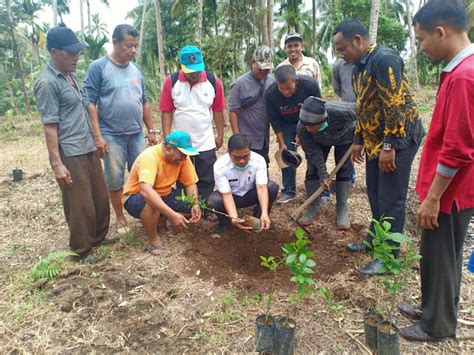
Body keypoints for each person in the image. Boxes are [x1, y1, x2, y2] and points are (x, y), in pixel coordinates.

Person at [398, 0, 474, 342]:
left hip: (452, 192)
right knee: (436, 254)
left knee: (442, 256)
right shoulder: (462, 70)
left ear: (440, 32)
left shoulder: (463, 78)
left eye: (422, 40)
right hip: (454, 188)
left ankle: (437, 326)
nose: (422, 47)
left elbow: (458, 149)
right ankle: (431, 308)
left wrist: (432, 199)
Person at [332, 19, 425, 275]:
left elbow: (392, 105)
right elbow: (365, 107)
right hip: (375, 140)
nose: (342, 54)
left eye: (343, 49)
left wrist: (389, 146)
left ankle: (388, 257)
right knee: (374, 192)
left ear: (358, 41)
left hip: (399, 139)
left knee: (391, 198)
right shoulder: (359, 65)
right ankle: (375, 240)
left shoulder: (383, 59)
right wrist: (358, 141)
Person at [34, 27, 110, 259]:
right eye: (71, 52)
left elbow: (86, 110)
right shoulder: (48, 83)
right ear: (55, 52)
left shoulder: (71, 76)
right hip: (70, 151)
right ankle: (82, 249)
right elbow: (50, 125)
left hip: (87, 145)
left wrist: (97, 138)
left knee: (98, 196)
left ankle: (97, 238)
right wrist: (57, 163)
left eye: (78, 52)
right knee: (80, 202)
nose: (76, 57)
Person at [85, 24, 156, 227]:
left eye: (135, 46)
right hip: (111, 135)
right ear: (114, 42)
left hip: (136, 133)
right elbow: (90, 103)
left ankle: (144, 211)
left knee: (142, 175)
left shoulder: (136, 69)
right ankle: (120, 217)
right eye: (128, 46)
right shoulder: (98, 67)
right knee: (115, 179)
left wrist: (150, 130)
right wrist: (98, 137)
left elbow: (145, 101)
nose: (133, 50)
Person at [160, 45, 226, 200]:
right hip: (180, 142)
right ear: (182, 66)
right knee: (182, 176)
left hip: (205, 140)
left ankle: (205, 207)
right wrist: (167, 136)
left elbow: (218, 110)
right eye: (190, 71)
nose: (195, 74)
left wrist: (220, 135)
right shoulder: (172, 82)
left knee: (207, 177)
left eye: (197, 69)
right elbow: (166, 111)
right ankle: (187, 206)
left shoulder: (213, 81)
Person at [122, 131, 201, 255]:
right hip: (136, 196)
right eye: (182, 154)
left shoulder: (182, 159)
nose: (184, 159)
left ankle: (160, 219)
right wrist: (172, 215)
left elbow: (190, 183)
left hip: (165, 193)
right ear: (169, 149)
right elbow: (146, 191)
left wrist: (195, 204)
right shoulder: (150, 157)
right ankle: (153, 239)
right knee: (151, 204)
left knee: (190, 206)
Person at [265, 65, 321, 204]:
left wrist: (304, 129)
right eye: (282, 88)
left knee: (314, 154)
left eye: (289, 88)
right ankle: (289, 190)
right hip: (286, 124)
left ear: (296, 80)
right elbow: (275, 121)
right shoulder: (270, 93)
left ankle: (319, 189)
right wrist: (282, 143)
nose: (285, 92)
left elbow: (318, 108)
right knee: (286, 155)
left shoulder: (309, 85)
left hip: (309, 121)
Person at [297, 96, 356, 228]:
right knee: (312, 170)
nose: (307, 128)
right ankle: (313, 209)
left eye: (311, 126)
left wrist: (360, 141)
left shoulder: (343, 111)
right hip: (319, 140)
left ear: (322, 120)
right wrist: (323, 174)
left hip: (345, 136)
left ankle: (342, 210)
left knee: (344, 170)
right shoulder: (302, 128)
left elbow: (365, 115)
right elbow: (314, 153)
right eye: (305, 125)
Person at [207, 134, 279, 233]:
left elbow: (261, 188)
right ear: (229, 152)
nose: (241, 161)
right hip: (232, 197)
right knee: (214, 200)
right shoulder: (220, 166)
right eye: (236, 157)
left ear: (250, 151)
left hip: (250, 194)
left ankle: (260, 216)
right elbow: (227, 195)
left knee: (272, 187)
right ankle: (225, 222)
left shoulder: (259, 160)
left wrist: (265, 212)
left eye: (246, 156)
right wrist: (234, 217)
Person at [229, 46, 274, 163]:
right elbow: (233, 111)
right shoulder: (239, 84)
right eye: (261, 68)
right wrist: (237, 137)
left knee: (262, 167)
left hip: (263, 137)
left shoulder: (271, 81)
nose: (263, 72)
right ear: (253, 62)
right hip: (246, 137)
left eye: (267, 69)